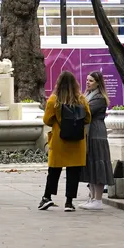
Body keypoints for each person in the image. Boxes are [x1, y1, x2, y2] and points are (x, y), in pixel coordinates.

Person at [40, 70, 91, 212]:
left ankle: (47, 197)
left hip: (59, 141)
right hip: (77, 142)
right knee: (73, 172)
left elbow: (47, 120)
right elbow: (87, 118)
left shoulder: (54, 100)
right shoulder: (81, 99)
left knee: (54, 171)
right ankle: (69, 202)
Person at [81, 71, 112, 210]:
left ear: (98, 83)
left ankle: (98, 199)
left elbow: (85, 111)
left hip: (97, 133)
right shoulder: (87, 95)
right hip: (89, 132)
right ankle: (92, 197)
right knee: (91, 164)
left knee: (98, 163)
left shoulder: (99, 98)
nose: (88, 82)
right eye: (87, 80)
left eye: (91, 81)